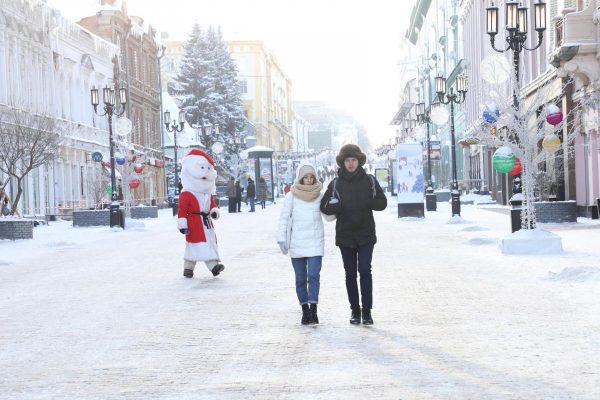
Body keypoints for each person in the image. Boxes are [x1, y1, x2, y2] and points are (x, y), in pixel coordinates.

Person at [320, 144, 387, 325]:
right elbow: (324, 206)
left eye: (353, 160)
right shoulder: (335, 183)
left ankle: (367, 311)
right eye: (347, 160)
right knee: (350, 273)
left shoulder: (370, 180)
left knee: (365, 270)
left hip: (366, 234)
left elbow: (382, 203)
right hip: (345, 235)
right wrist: (339, 206)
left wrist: (368, 202)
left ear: (359, 161)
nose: (350, 163)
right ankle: (355, 310)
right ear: (342, 162)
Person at [277, 163, 325, 325]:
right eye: (306, 177)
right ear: (300, 178)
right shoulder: (291, 196)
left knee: (313, 276)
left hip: (315, 242)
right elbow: (284, 218)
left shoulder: (320, 195)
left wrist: (337, 203)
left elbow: (329, 215)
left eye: (312, 177)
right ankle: (305, 310)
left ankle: (314, 309)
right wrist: (281, 237)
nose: (309, 180)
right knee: (300, 279)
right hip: (297, 243)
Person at [177, 149, 225, 278]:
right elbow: (182, 210)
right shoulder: (187, 193)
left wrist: (214, 212)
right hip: (194, 223)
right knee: (197, 245)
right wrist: (183, 224)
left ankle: (195, 267)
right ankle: (208, 267)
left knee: (205, 244)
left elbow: (212, 205)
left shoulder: (207, 193)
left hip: (206, 223)